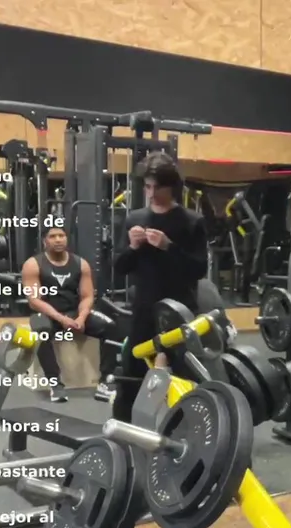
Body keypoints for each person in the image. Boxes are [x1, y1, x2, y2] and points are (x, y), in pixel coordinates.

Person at [111, 152, 209, 422]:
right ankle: (122, 432)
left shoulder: (191, 221)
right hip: (144, 310)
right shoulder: (135, 219)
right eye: (147, 187)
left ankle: (182, 431)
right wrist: (132, 247)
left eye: (157, 188)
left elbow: (199, 270)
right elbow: (119, 267)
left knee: (180, 379)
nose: (152, 194)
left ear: (171, 187)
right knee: (132, 375)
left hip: (178, 311)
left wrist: (169, 247)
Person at [22, 226, 120, 402]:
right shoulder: (33, 264)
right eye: (53, 236)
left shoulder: (80, 264)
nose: (58, 239)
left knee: (110, 327)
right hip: (48, 314)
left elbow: (87, 296)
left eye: (61, 235)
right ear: (44, 241)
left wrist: (81, 318)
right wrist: (61, 319)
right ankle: (56, 384)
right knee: (40, 331)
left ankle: (105, 382)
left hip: (74, 312)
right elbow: (34, 301)